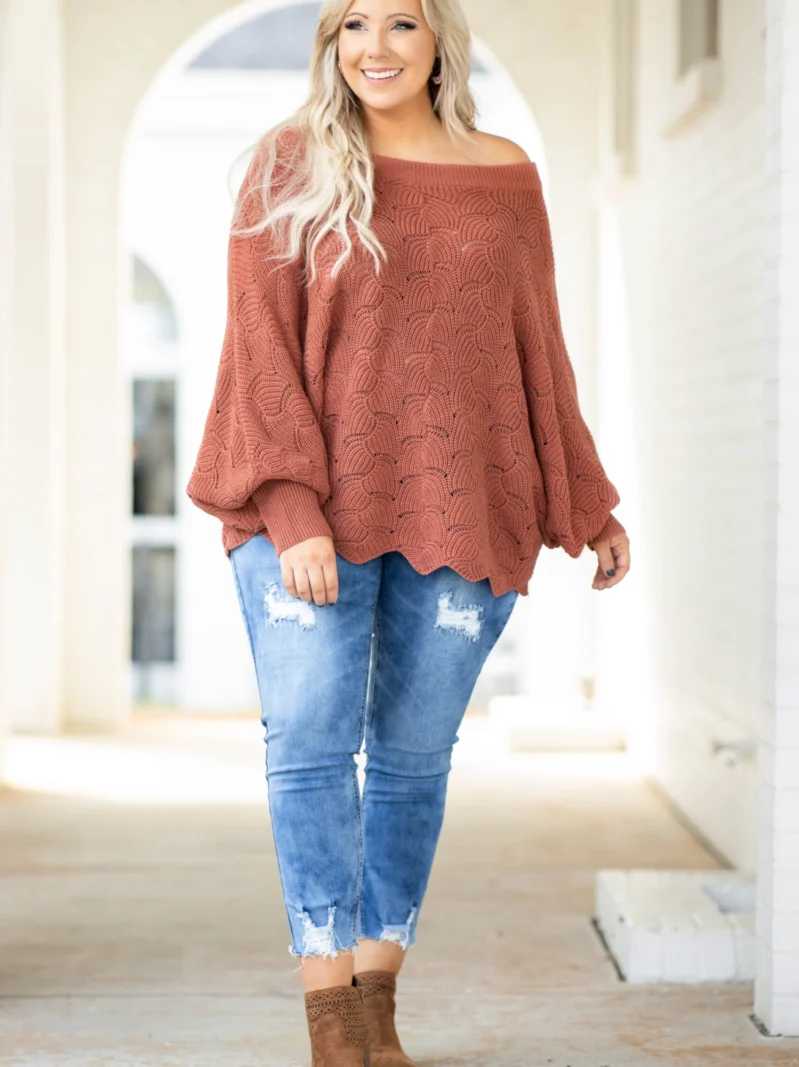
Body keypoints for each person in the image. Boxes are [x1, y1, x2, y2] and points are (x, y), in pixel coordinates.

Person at [185, 0, 631, 1063]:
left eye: (399, 23)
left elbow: (536, 347)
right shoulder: (286, 164)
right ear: (328, 45)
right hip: (302, 516)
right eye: (352, 25)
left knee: (415, 758)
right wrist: (292, 509)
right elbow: (258, 346)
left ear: (439, 44)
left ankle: (376, 996)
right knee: (307, 746)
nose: (374, 47)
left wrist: (587, 499)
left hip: (462, 507)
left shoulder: (505, 174)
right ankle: (329, 1014)